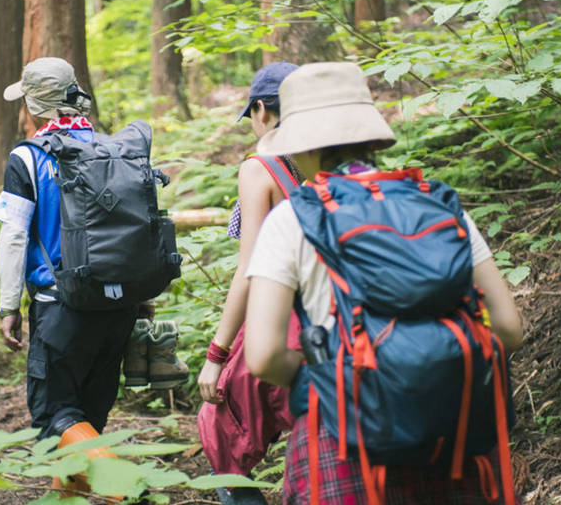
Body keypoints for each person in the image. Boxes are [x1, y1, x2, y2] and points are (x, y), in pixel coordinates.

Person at [243, 62, 525, 504]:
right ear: (370, 133)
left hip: (343, 440)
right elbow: (508, 329)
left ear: (297, 144)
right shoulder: (440, 204)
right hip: (453, 434)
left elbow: (262, 356)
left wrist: (327, 379)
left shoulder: (292, 218)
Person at [0, 57, 138, 492]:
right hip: (118, 305)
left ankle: (127, 488)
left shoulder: (28, 157)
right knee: (87, 418)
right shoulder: (112, 148)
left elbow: (14, 237)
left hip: (61, 307)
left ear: (35, 105)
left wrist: (7, 305)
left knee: (54, 416)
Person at [197, 61, 302, 505]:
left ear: (261, 109)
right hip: (341, 317)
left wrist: (216, 355)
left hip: (282, 320)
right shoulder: (330, 160)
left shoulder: (261, 167)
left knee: (217, 427)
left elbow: (250, 268)